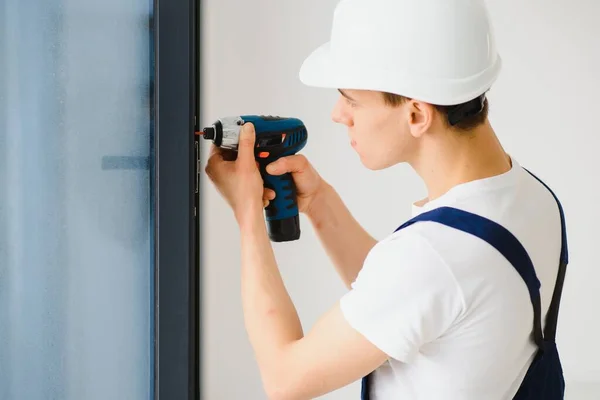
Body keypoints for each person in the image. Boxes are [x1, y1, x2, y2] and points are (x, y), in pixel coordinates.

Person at [204, 0, 568, 399]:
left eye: (352, 99)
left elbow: (285, 379)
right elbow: (416, 305)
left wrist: (247, 216)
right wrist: (319, 202)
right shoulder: (532, 197)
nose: (338, 114)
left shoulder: (432, 256)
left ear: (416, 115)